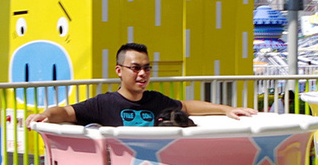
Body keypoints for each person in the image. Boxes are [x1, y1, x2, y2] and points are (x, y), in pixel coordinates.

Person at [25, 43, 257, 128]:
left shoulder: (157, 101)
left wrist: (226, 109)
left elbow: (187, 106)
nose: (143, 74)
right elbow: (66, 112)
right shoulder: (104, 103)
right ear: (119, 71)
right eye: (135, 68)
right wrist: (44, 114)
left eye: (147, 68)